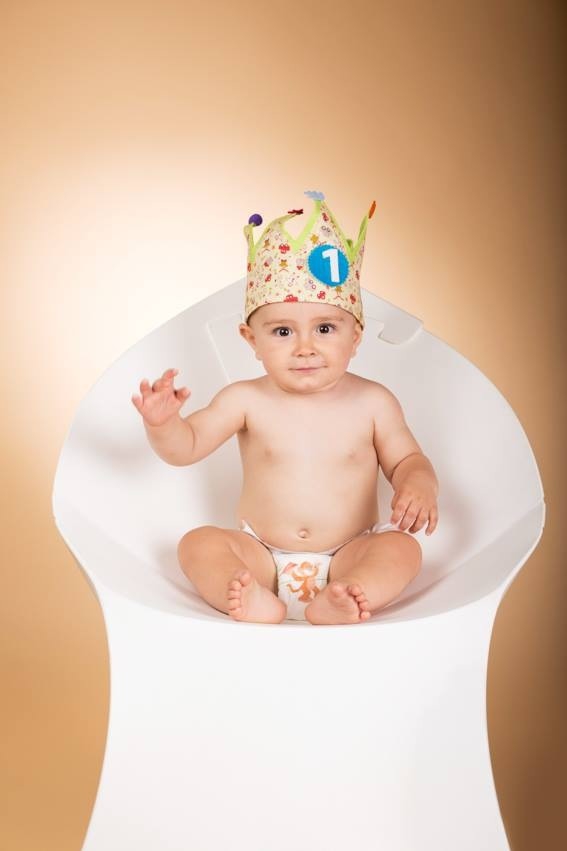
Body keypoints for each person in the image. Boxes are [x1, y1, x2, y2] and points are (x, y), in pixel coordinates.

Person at [131, 190, 439, 625]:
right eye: (282, 332)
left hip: (350, 552)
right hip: (260, 553)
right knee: (197, 544)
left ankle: (349, 595)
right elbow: (187, 446)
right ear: (251, 340)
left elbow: (406, 459)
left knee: (402, 549)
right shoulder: (244, 399)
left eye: (325, 328)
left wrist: (420, 482)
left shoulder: (374, 402)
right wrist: (164, 424)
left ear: (355, 337)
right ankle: (249, 595)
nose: (305, 348)